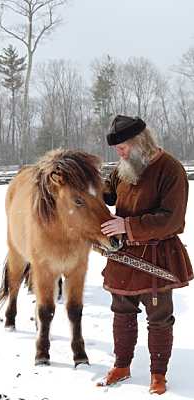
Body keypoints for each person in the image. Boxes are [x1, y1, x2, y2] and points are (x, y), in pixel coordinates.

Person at [97, 115, 193, 394]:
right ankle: (122, 365)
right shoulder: (124, 168)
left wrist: (127, 225)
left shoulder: (170, 169)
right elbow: (108, 194)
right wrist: (84, 183)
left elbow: (172, 220)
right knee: (121, 312)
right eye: (117, 149)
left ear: (141, 141)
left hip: (156, 256)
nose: (119, 152)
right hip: (123, 257)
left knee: (159, 318)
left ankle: (158, 374)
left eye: (123, 146)